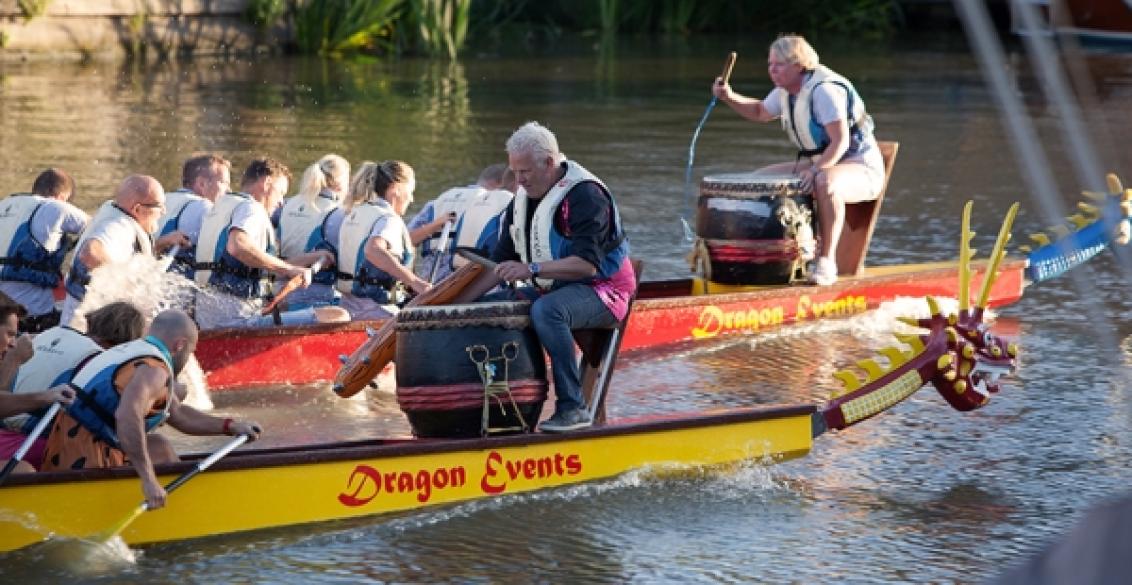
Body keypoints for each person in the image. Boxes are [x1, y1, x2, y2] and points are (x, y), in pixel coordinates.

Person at [478, 122, 636, 433]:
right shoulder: (522, 199)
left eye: (525, 172)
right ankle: (502, 409)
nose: (519, 181)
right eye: (515, 172)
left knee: (547, 311)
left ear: (549, 163)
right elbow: (498, 264)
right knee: (492, 307)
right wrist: (456, 303)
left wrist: (531, 269)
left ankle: (571, 407)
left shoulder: (586, 195)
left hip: (604, 290)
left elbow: (587, 266)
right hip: (557, 287)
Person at [40, 309, 262, 509]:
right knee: (160, 451)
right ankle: (176, 509)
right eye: (192, 350)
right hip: (83, 455)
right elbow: (127, 416)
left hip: (66, 443)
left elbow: (179, 415)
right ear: (180, 345)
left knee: (159, 445)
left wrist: (231, 426)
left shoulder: (134, 351)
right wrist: (148, 479)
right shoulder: (154, 370)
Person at [712, 34, 884, 286]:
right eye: (770, 64)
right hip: (825, 163)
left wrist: (816, 170)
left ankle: (826, 263)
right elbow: (760, 112)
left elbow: (840, 142)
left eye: (779, 65)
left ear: (799, 65)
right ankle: (775, 261)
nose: (772, 70)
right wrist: (728, 96)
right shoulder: (786, 91)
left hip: (860, 167)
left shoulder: (824, 91)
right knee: (760, 180)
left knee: (825, 181)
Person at [193, 158, 340, 330]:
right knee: (336, 315)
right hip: (239, 322)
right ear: (267, 183)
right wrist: (289, 270)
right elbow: (237, 246)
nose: (281, 202)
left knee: (282, 305)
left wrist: (312, 257)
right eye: (281, 193)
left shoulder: (222, 206)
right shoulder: (252, 209)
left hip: (208, 316)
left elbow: (261, 263)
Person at [0, 301, 145, 473]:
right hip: (31, 444)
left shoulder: (50, 334)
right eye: (10, 334)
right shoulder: (103, 363)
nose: (13, 343)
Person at [61, 175, 190, 329]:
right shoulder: (119, 226)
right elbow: (90, 253)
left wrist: (163, 242)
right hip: (86, 331)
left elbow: (125, 255)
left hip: (82, 326)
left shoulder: (117, 214)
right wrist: (124, 285)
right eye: (159, 206)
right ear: (137, 209)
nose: (164, 212)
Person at [334, 161, 431, 320]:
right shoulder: (388, 219)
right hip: (377, 311)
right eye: (410, 191)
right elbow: (373, 250)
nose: (412, 199)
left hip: (348, 305)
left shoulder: (355, 212)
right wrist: (415, 282)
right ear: (396, 189)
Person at [0, 168, 90, 333]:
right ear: (62, 197)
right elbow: (94, 228)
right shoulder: (57, 207)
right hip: (31, 315)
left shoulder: (4, 204)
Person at [407, 163, 516, 283]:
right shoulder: (503, 203)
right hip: (471, 284)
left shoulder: (437, 202)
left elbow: (406, 240)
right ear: (502, 184)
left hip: (430, 283)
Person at [275, 154, 350, 310]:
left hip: (279, 292)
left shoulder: (286, 204)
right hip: (315, 296)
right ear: (341, 183)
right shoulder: (339, 213)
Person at [158, 154, 232, 278]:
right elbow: (233, 249)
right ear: (202, 184)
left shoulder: (162, 199)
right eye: (224, 182)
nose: (229, 190)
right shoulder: (205, 208)